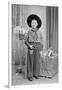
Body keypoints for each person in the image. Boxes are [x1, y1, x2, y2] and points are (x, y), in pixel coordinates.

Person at [19, 14, 43, 81]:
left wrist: (41, 49)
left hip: (38, 47)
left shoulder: (40, 32)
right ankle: (30, 75)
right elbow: (25, 40)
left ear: (37, 24)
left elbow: (41, 40)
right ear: (30, 24)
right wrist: (29, 45)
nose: (33, 24)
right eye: (32, 23)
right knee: (30, 61)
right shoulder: (28, 32)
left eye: (35, 23)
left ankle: (36, 74)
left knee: (37, 61)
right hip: (31, 47)